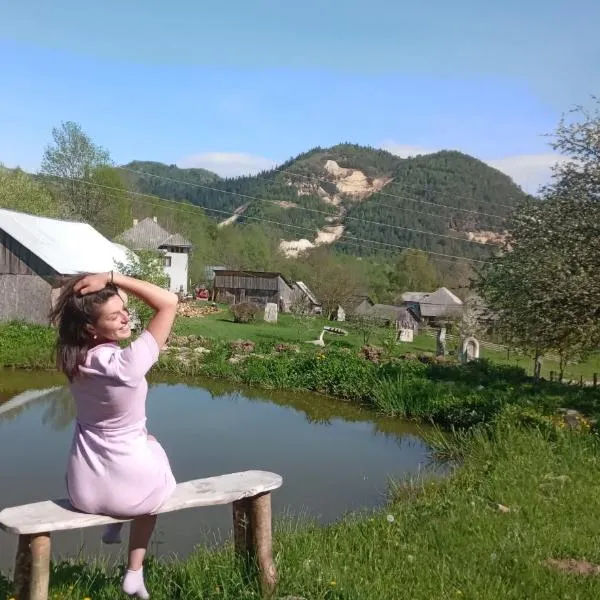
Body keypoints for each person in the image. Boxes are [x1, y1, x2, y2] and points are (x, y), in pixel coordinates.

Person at [49, 270, 179, 599]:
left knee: (123, 450)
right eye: (114, 315)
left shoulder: (76, 360)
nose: (125, 317)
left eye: (125, 309)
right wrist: (112, 276)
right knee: (152, 447)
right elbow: (169, 303)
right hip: (133, 491)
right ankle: (134, 572)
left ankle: (113, 525)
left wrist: (109, 289)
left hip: (84, 490)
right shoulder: (127, 364)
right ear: (91, 328)